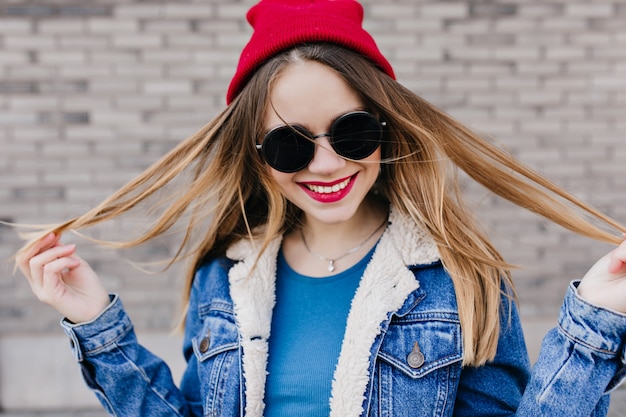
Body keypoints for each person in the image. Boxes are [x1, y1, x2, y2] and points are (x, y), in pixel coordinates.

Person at [14, 0, 626, 416]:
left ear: (388, 130)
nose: (327, 164)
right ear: (256, 158)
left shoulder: (462, 279)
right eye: (289, 144)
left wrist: (593, 324)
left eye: (353, 133)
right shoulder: (225, 281)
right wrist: (96, 322)